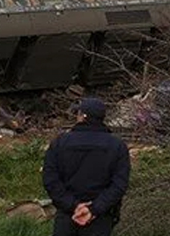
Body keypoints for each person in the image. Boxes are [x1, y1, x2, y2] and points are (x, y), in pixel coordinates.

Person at [43, 98, 131, 236]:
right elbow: (119, 185)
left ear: (82, 116)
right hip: (101, 217)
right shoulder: (117, 146)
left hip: (67, 216)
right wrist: (94, 209)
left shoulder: (60, 143)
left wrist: (73, 206)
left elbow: (50, 180)